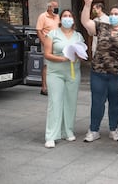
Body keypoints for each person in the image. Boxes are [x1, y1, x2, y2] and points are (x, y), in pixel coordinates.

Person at [81, 0, 118, 143]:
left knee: (115, 103)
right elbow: (85, 22)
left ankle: (113, 129)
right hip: (98, 71)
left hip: (117, 73)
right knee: (97, 101)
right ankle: (93, 129)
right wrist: (87, 5)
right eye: (111, 14)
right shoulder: (102, 26)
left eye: (116, 14)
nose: (113, 16)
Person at [43, 9, 84, 148]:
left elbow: (83, 53)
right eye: (65, 16)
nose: (67, 18)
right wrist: (62, 58)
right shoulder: (52, 34)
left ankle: (68, 130)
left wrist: (78, 55)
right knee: (55, 102)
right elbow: (47, 54)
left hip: (73, 73)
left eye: (70, 16)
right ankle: (51, 135)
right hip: (55, 73)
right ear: (60, 19)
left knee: (70, 102)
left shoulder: (78, 36)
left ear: (73, 19)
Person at [36, 0, 60, 96]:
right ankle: (44, 87)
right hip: (48, 44)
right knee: (47, 65)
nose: (57, 8)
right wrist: (44, 43)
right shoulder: (43, 16)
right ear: (49, 7)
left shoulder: (57, 17)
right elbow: (39, 30)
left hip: (57, 44)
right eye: (55, 7)